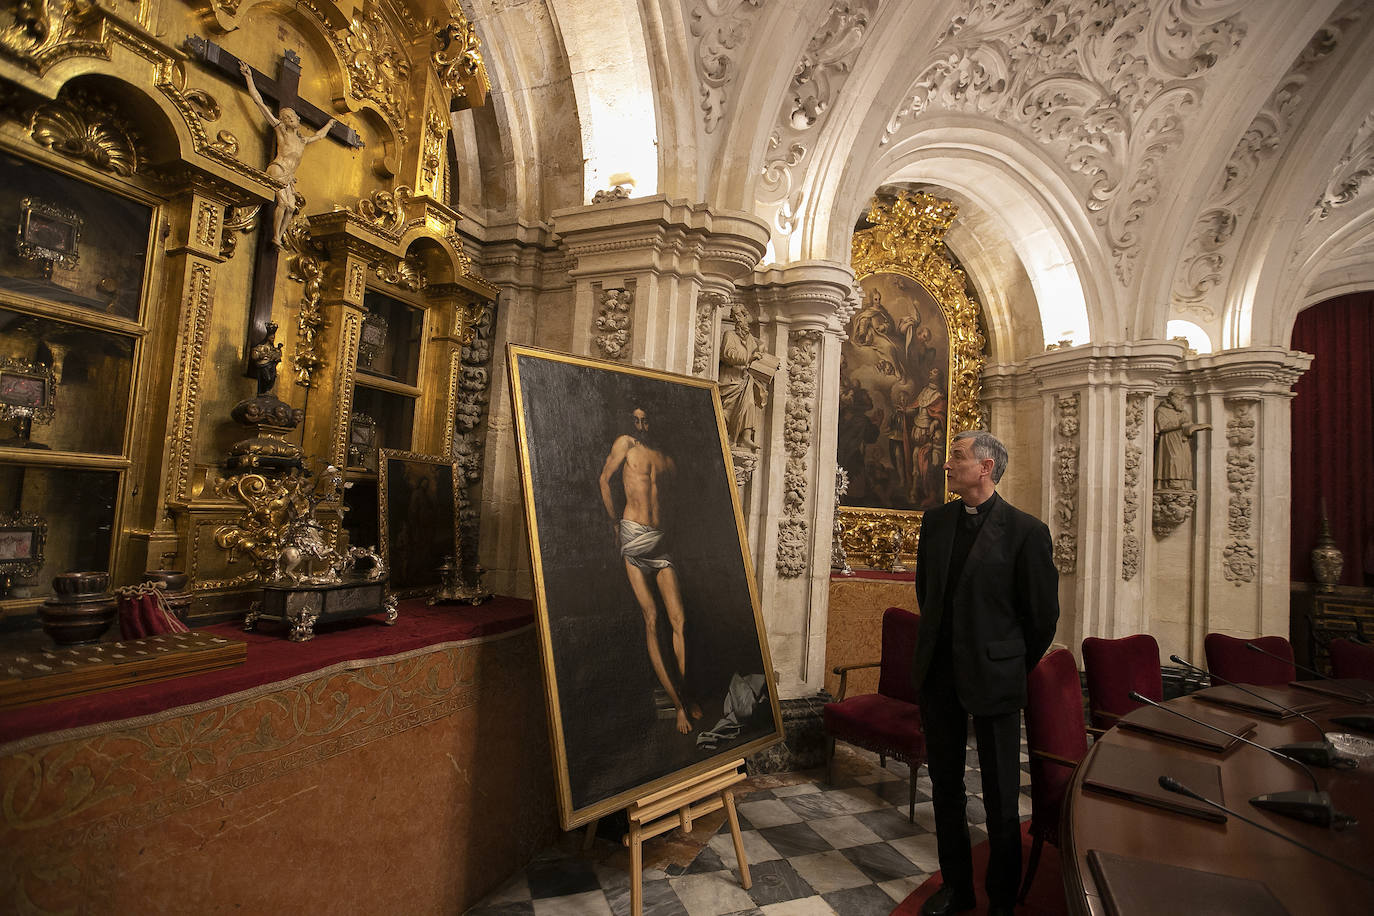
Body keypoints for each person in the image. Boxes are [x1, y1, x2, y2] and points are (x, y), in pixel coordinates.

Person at [911, 430, 1059, 916]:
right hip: (941, 678)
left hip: (995, 680)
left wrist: (1008, 661)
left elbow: (1041, 618)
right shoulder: (934, 524)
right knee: (946, 789)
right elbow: (927, 595)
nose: (947, 464)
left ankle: (1001, 902)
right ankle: (957, 889)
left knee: (1000, 799)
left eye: (956, 457)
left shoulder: (1026, 532)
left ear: (986, 467)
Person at [598, 406, 702, 734]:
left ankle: (685, 693)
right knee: (652, 618)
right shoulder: (624, 445)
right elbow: (603, 480)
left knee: (679, 621)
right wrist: (614, 524)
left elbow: (680, 501)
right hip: (632, 535)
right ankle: (678, 704)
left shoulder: (665, 457)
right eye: (636, 420)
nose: (641, 425)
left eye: (645, 420)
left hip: (659, 541)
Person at [239, 61, 336, 248]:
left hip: (290, 177)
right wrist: (248, 78)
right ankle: (275, 236)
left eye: (292, 117)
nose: (291, 119)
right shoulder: (281, 131)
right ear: (283, 120)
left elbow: (319, 135)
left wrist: (330, 125)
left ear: (298, 120)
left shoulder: (302, 140)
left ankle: (279, 236)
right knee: (282, 204)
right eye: (287, 118)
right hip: (278, 169)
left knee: (291, 208)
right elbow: (260, 103)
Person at [718, 304, 774, 449]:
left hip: (745, 380)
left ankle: (745, 437)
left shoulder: (752, 340)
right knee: (727, 410)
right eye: (735, 316)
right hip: (731, 379)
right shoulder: (730, 335)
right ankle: (728, 437)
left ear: (745, 316)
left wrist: (764, 354)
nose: (738, 319)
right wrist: (749, 357)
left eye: (740, 315)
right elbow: (727, 353)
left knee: (749, 405)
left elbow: (760, 348)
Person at [1153, 387, 1209, 490]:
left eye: (1182, 398)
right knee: (1173, 460)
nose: (1181, 400)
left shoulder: (1183, 412)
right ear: (1172, 397)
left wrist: (1192, 427)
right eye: (1179, 398)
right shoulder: (1161, 410)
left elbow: (1188, 424)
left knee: (1184, 462)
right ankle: (1169, 483)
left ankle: (1183, 483)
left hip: (1183, 441)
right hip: (1169, 440)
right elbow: (1162, 426)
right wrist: (1180, 424)